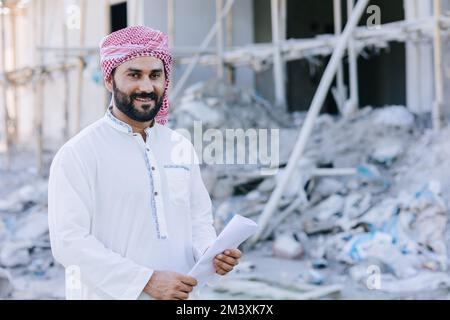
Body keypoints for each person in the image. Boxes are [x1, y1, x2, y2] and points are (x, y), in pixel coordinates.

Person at [48, 25, 241, 300]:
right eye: (134, 75)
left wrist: (212, 253)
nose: (147, 87)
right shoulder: (79, 154)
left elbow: (197, 219)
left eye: (155, 75)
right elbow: (68, 242)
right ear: (108, 79)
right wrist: (146, 281)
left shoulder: (180, 146)